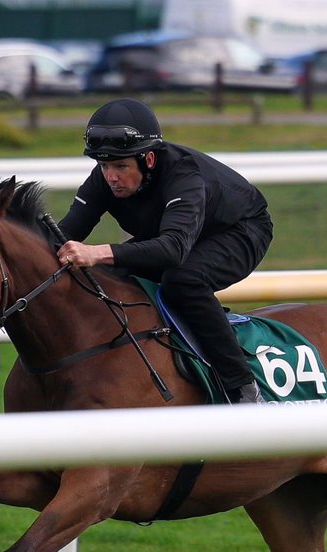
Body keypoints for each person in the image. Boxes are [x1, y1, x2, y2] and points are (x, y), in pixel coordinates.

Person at [56, 97, 273, 404]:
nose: (111, 177)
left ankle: (242, 387)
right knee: (105, 275)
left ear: (149, 159)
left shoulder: (183, 174)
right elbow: (64, 236)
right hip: (177, 233)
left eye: (120, 166)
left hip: (239, 229)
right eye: (103, 165)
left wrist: (97, 251)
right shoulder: (103, 179)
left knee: (183, 279)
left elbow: (171, 250)